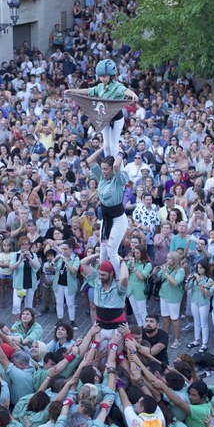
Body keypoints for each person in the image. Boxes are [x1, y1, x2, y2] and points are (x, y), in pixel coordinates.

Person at [65, 59, 138, 157]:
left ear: (111, 76)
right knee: (106, 146)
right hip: (105, 118)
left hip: (117, 119)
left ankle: (118, 168)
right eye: (100, 76)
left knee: (113, 146)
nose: (102, 79)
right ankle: (109, 166)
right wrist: (73, 91)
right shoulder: (100, 87)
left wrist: (133, 95)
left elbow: (125, 91)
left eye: (104, 76)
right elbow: (89, 91)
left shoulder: (117, 86)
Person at [86, 147, 129, 278]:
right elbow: (90, 160)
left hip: (118, 219)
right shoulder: (102, 177)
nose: (103, 171)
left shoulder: (119, 179)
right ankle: (103, 275)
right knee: (103, 250)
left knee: (112, 250)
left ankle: (117, 278)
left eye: (106, 169)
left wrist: (120, 152)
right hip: (106, 217)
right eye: (102, 168)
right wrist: (103, 147)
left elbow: (116, 166)